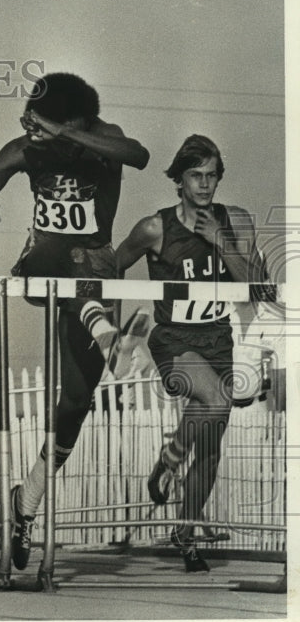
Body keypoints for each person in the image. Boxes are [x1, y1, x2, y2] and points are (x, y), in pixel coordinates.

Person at [0, 72, 149, 570]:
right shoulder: (26, 147)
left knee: (77, 401)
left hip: (97, 272)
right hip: (42, 265)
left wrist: (62, 133)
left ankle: (27, 502)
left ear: (78, 123)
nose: (35, 132)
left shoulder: (104, 139)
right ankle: (108, 337)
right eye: (34, 124)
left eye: (47, 126)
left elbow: (140, 156)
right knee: (62, 254)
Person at [115, 135, 261, 572]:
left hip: (218, 337)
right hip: (175, 339)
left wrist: (222, 243)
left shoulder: (235, 220)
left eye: (211, 176)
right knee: (215, 401)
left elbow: (258, 284)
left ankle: (185, 531)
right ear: (178, 180)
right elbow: (113, 265)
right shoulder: (154, 228)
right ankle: (170, 459)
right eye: (195, 176)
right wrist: (114, 328)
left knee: (212, 450)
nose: (204, 184)